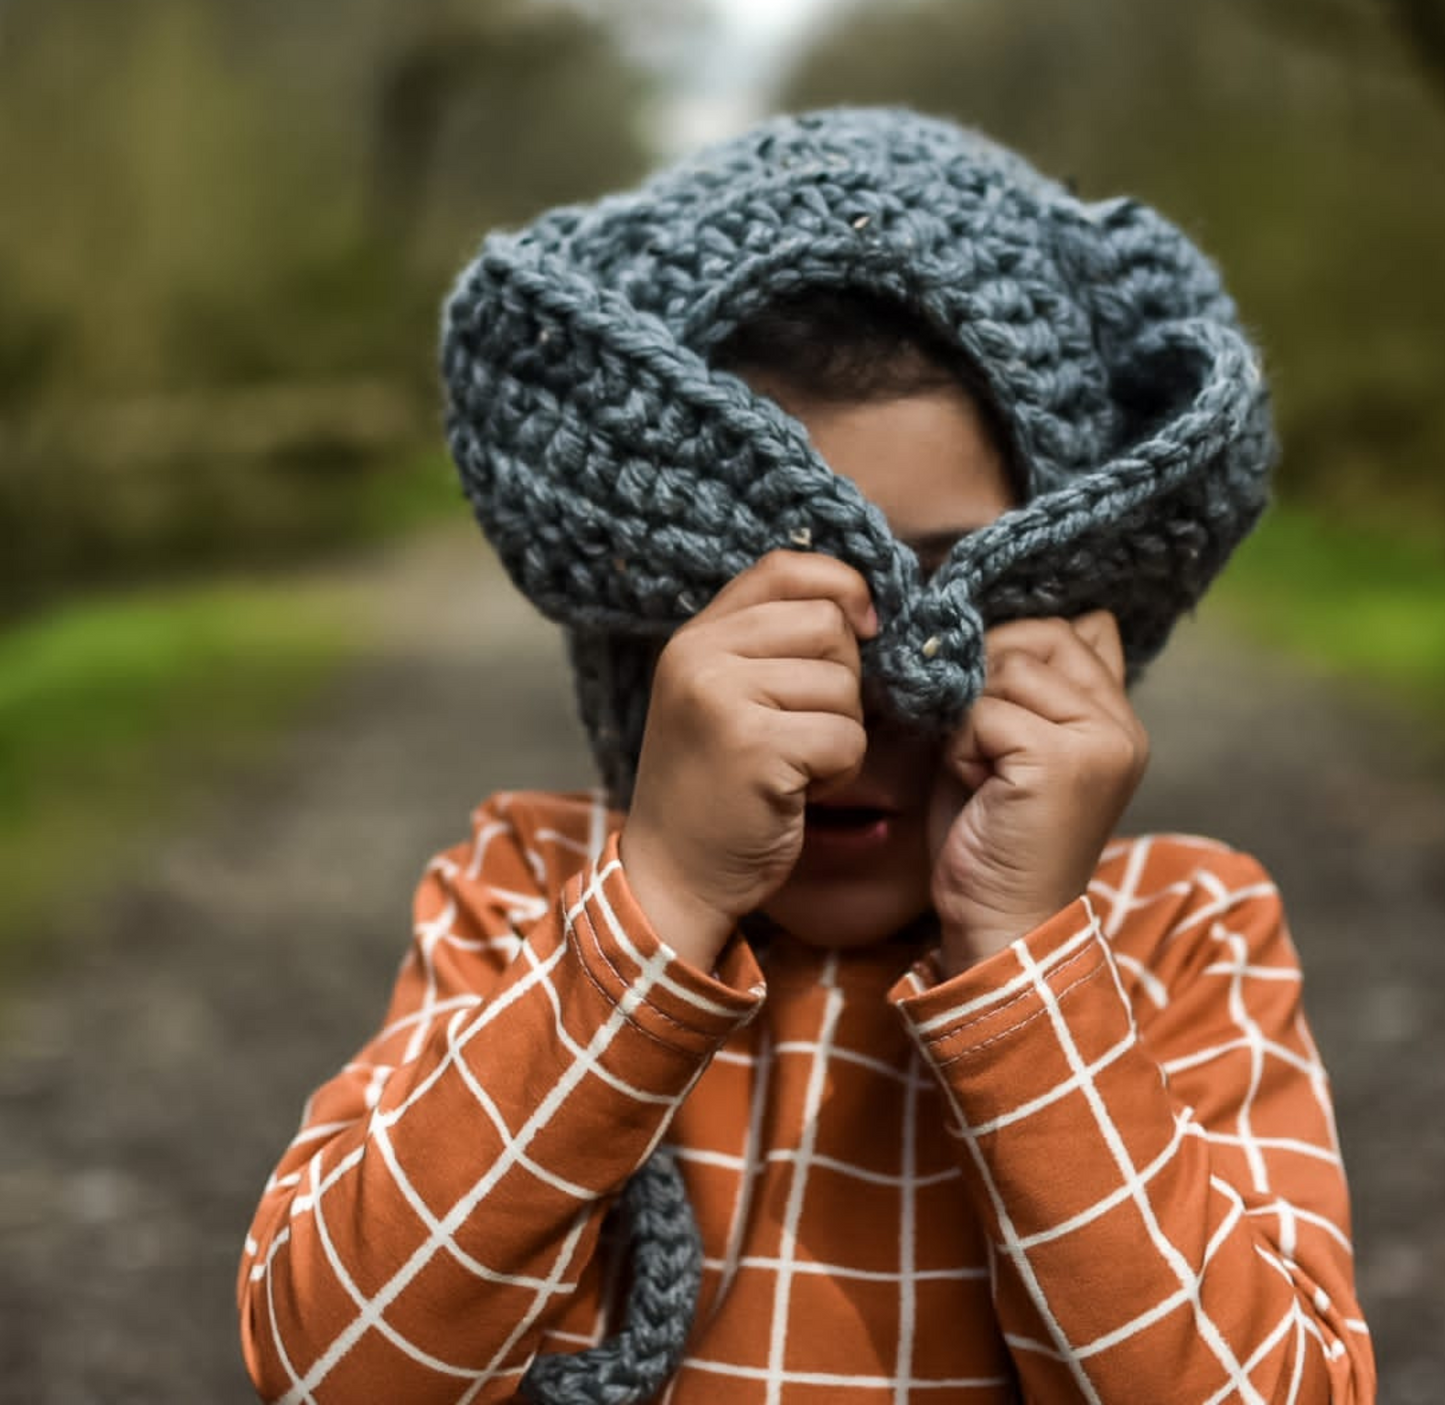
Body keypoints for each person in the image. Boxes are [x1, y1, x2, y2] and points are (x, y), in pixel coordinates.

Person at [237, 108, 1375, 1402]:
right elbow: (329, 1368)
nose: (865, 706)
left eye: (955, 590)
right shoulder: (527, 904)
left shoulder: (1177, 936)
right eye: (772, 607)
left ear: (1078, 594)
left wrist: (1027, 967)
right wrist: (659, 905)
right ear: (647, 617)